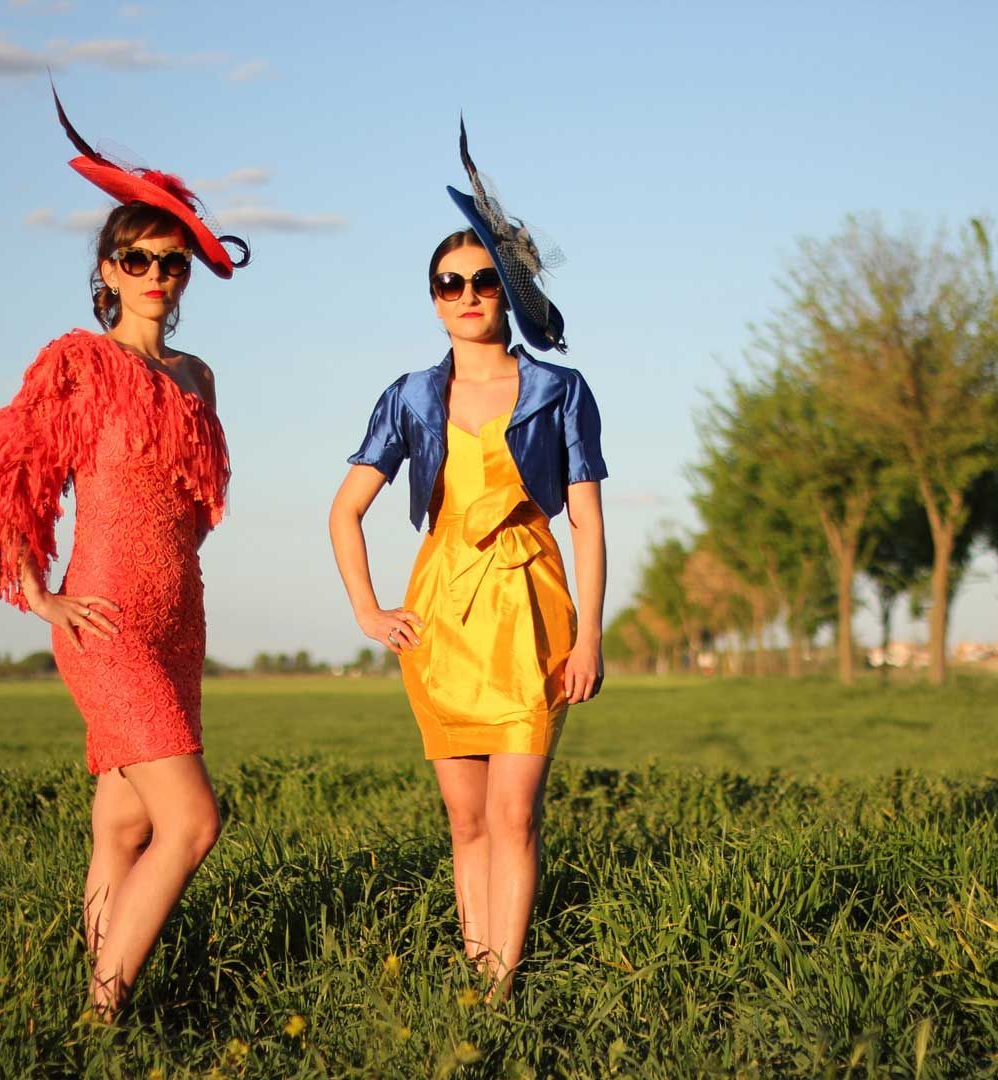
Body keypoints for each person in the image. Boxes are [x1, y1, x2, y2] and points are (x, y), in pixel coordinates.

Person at [0, 87, 249, 1020]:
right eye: (136, 259)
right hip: (106, 617)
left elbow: (196, 501)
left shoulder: (197, 377)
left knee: (123, 823)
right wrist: (40, 596)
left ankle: (94, 999)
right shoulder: (78, 363)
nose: (156, 274)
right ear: (107, 271)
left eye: (171, 261)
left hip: (178, 618)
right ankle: (102, 1014)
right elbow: (5, 476)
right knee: (191, 822)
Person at [328, 122, 608, 999]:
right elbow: (345, 509)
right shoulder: (409, 396)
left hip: (530, 610)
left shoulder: (560, 390)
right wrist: (368, 608)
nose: (468, 295)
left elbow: (588, 523)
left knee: (514, 813)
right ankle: (475, 974)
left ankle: (501, 993)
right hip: (440, 615)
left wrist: (590, 637)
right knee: (465, 820)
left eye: (484, 280)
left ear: (507, 291)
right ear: (434, 300)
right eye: (450, 284)